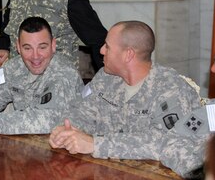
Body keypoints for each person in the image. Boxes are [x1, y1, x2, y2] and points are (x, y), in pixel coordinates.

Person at [48, 21, 206, 178]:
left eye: (107, 46)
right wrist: (67, 130)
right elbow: (82, 111)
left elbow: (163, 142)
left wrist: (94, 144)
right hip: (105, 171)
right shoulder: (105, 77)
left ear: (128, 54)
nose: (102, 50)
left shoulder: (171, 89)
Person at [0, 16, 84, 135]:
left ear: (53, 45)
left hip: (65, 152)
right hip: (26, 147)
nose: (35, 56)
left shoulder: (65, 73)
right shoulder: (12, 67)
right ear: (18, 47)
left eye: (42, 47)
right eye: (27, 48)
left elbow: (45, 121)